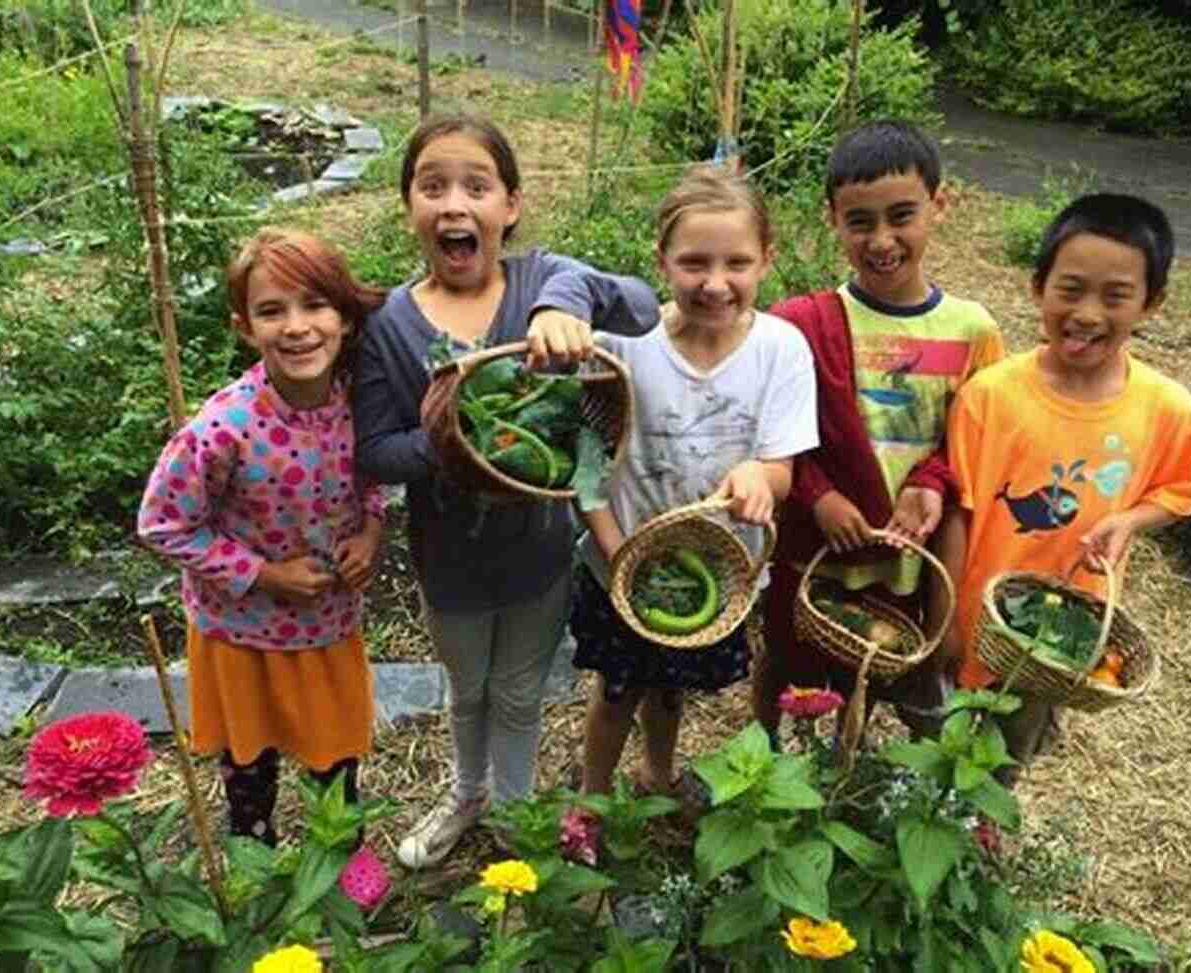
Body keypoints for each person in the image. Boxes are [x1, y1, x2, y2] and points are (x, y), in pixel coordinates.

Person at [352, 114, 659, 868]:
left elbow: (646, 306)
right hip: (448, 563)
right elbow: (374, 450)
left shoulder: (537, 282)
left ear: (509, 207)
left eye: (476, 186)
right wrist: (452, 442)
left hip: (539, 556)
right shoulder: (387, 327)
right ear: (410, 211)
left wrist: (570, 299)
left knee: (522, 693)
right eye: (433, 187)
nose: (455, 204)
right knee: (468, 689)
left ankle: (517, 815)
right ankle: (467, 791)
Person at [753, 120, 1005, 747]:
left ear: (940, 206)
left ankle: (844, 757)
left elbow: (974, 440)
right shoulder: (800, 325)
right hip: (817, 548)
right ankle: (764, 745)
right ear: (832, 219)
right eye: (860, 221)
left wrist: (931, 481)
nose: (882, 240)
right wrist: (817, 496)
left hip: (908, 555)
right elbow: (774, 430)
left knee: (870, 662)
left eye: (902, 216)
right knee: (787, 657)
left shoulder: (973, 330)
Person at [138, 228, 388, 846]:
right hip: (241, 633)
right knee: (249, 768)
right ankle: (260, 879)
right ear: (245, 326)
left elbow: (374, 474)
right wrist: (265, 574)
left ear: (346, 316)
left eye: (315, 304)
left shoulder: (361, 402)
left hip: (327, 623)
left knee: (336, 764)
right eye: (272, 310)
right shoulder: (224, 427)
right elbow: (162, 523)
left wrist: (372, 529)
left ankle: (345, 877)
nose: (297, 326)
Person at [574, 165, 819, 795]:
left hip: (719, 567)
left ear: (767, 259)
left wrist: (757, 476)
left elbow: (782, 471)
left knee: (672, 686)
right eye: (693, 263)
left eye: (737, 262)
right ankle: (592, 797)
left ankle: (658, 771)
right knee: (618, 689)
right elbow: (588, 470)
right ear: (661, 261)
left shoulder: (782, 349)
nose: (715, 284)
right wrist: (618, 554)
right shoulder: (621, 346)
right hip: (620, 561)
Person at [944, 193, 1191, 776]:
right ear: (1038, 287)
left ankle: (986, 836)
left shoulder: (1168, 410)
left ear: (1150, 304)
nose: (1087, 313)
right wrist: (947, 622)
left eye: (1116, 296)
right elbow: (958, 512)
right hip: (977, 621)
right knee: (947, 744)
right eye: (1070, 288)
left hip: (1063, 634)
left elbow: (1175, 492)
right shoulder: (990, 396)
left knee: (1008, 759)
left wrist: (1129, 520)